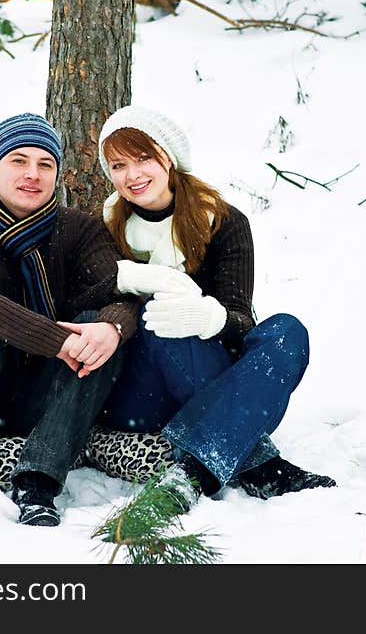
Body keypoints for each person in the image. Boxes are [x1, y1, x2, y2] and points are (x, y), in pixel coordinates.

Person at [96, 105, 336, 511]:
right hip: (139, 393)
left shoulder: (223, 221)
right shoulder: (103, 225)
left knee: (287, 332)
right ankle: (258, 464)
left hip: (208, 375)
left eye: (143, 158)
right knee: (159, 316)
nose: (132, 175)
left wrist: (214, 318)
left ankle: (193, 472)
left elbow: (242, 320)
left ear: (167, 157)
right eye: (119, 165)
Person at [0, 113, 138, 528]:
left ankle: (37, 483)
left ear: (58, 174)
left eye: (45, 164)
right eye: (18, 161)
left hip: (54, 395)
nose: (32, 175)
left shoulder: (80, 231)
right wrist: (55, 339)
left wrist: (111, 328)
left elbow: (123, 295)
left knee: (98, 328)